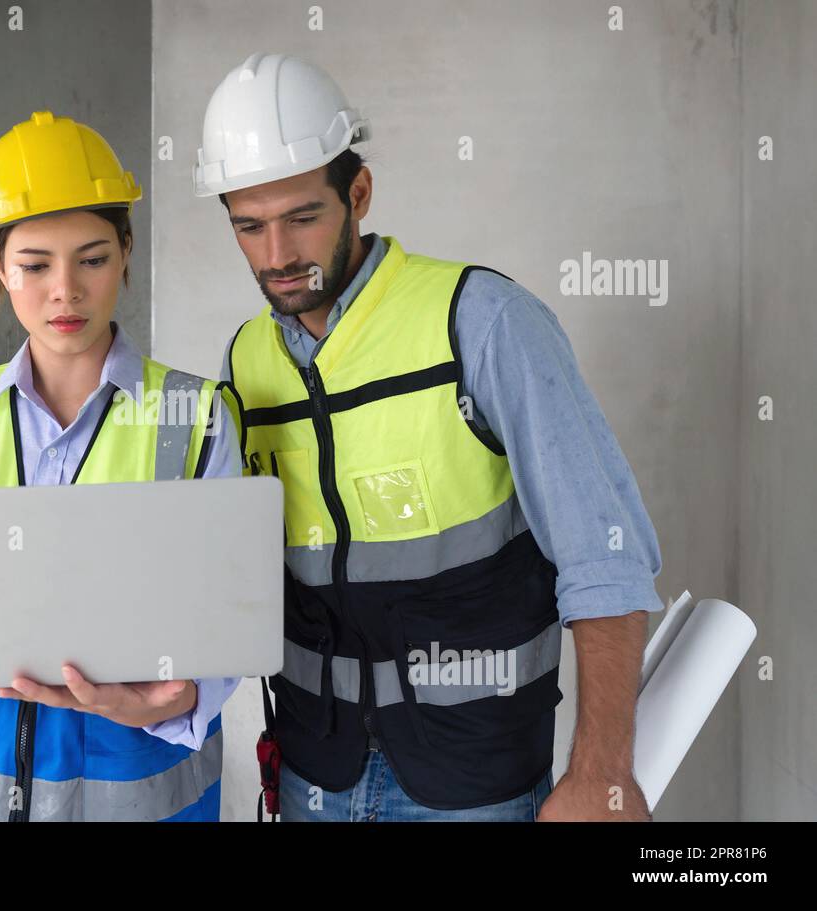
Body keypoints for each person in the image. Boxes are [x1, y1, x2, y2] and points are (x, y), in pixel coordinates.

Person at [195, 53, 662, 821]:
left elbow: (605, 555)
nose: (277, 254)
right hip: (315, 776)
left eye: (303, 217)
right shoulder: (245, 362)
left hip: (474, 784)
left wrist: (602, 773)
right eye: (250, 226)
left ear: (360, 193)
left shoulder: (481, 323)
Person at [0, 111, 242, 821]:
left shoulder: (195, 415)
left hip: (139, 789)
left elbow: (231, 615)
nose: (65, 291)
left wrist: (181, 694)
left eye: (93, 257)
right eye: (35, 264)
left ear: (127, 251)